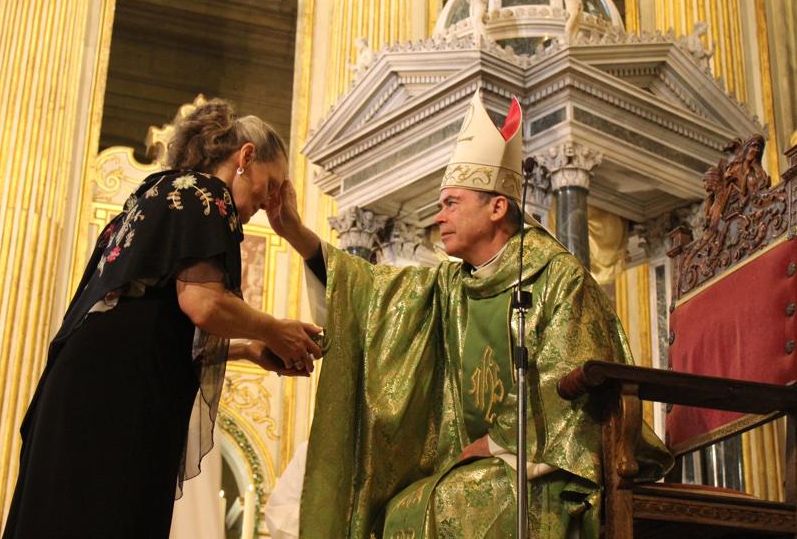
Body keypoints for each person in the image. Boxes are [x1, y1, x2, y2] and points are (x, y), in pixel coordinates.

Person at [266, 90, 671, 538]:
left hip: (551, 466)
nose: (439, 217)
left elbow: (572, 384)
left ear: (498, 207)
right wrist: (296, 233)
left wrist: (497, 442)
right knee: (402, 506)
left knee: (448, 503)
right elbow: (372, 296)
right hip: (481, 465)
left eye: (451, 203)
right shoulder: (452, 286)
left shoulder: (559, 278)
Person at [4, 99, 321, 538]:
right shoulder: (208, 193)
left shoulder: (158, 193)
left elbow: (153, 320)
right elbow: (203, 305)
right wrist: (276, 329)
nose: (270, 204)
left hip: (90, 379)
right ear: (245, 157)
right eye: (272, 185)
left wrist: (249, 347)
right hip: (118, 393)